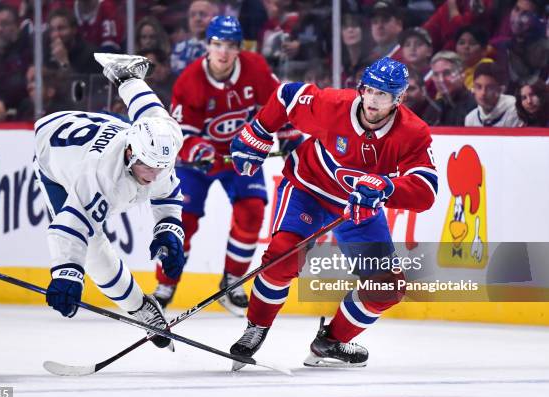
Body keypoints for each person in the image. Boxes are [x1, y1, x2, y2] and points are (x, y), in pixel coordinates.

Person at [228, 57, 438, 369]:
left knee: (386, 287)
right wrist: (260, 129)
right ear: (361, 89)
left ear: (398, 99)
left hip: (356, 209)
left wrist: (386, 187)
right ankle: (256, 326)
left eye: (383, 95)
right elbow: (287, 96)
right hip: (308, 189)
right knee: (283, 255)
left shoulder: (413, 132)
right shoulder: (333, 105)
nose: (373, 100)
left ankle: (331, 342)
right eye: (369, 90)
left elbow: (426, 191)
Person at [152, 16, 303, 316]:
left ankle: (232, 281)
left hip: (241, 155)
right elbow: (182, 132)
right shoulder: (189, 81)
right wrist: (199, 149)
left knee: (252, 210)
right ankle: (165, 285)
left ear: (238, 48)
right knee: (183, 221)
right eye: (217, 44)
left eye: (230, 46)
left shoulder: (256, 68)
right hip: (197, 163)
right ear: (207, 45)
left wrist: (288, 137)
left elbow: (279, 104)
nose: (223, 52)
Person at [32, 54, 185, 350]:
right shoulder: (102, 175)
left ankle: (126, 75)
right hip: (54, 159)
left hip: (104, 127)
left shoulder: (163, 143)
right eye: (147, 168)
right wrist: (67, 274)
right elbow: (69, 227)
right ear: (130, 154)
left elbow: (150, 112)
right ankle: (140, 309)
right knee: (91, 247)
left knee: (155, 116)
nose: (153, 177)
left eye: (160, 168)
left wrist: (168, 229)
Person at [425, 51, 476, 126]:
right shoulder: (433, 108)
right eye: (436, 74)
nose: (441, 80)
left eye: (447, 73)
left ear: (462, 74)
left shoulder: (475, 105)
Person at [464, 62, 522, 127]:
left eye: (489, 88)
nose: (483, 93)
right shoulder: (470, 119)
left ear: (501, 89)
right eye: (479, 87)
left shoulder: (516, 111)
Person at [170, 0, 219, 76]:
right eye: (192, 15)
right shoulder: (179, 49)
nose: (197, 19)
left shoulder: (223, 50)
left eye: (203, 14)